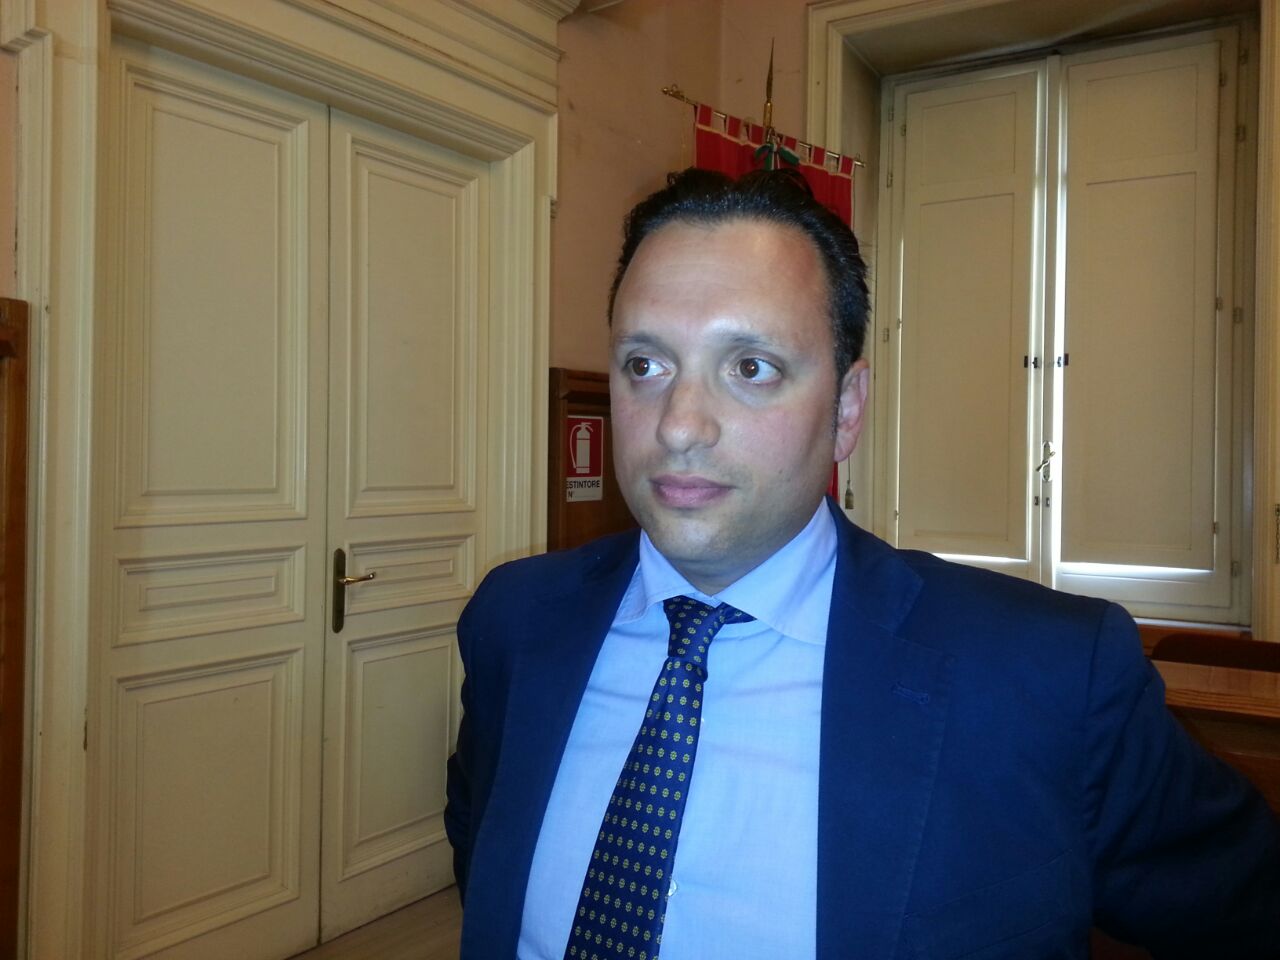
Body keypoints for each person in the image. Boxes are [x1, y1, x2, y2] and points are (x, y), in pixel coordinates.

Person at [444, 168, 1280, 960]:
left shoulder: (1049, 676)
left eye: (750, 368)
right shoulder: (515, 621)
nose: (678, 424)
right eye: (645, 365)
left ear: (847, 410)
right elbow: (485, 859)